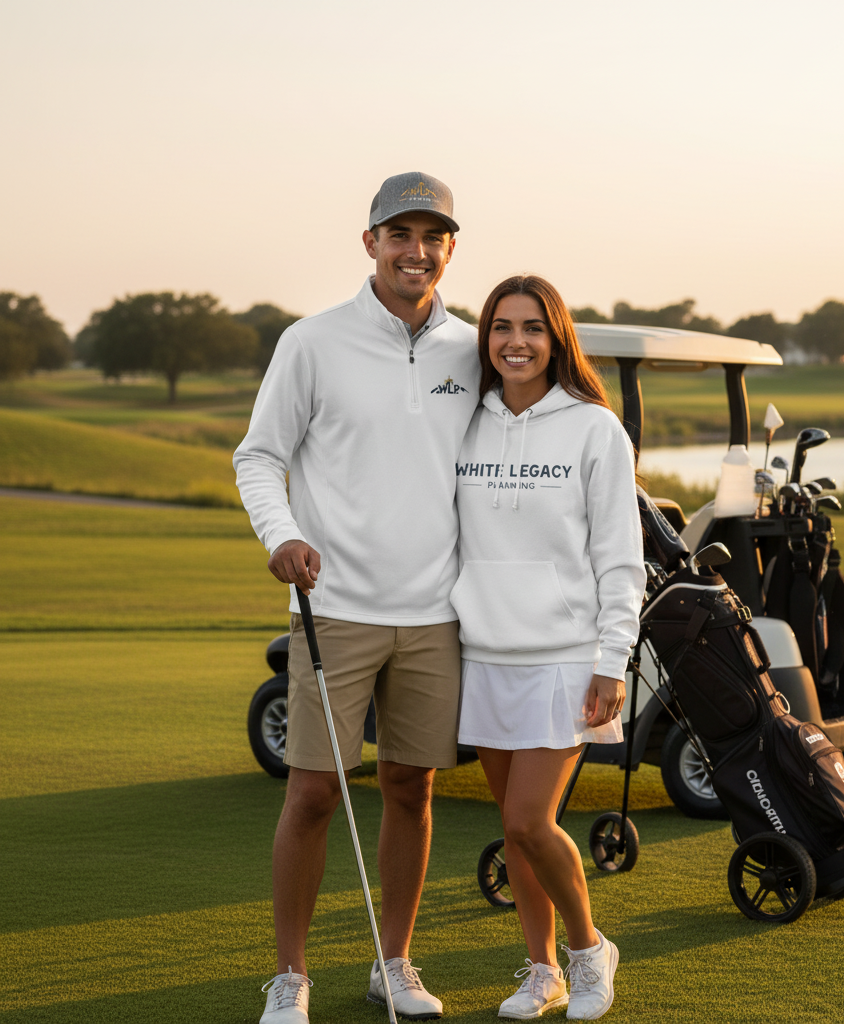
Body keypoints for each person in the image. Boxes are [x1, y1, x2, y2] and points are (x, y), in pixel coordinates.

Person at [234, 172, 480, 1023]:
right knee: (312, 792)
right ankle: (290, 976)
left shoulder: (474, 348)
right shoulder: (313, 341)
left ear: (451, 247)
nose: (418, 252)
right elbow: (259, 456)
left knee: (412, 787)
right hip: (333, 604)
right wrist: (281, 536)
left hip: (437, 614)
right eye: (400, 234)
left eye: (434, 237)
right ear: (370, 241)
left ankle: (395, 962)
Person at [450, 275, 645, 1020]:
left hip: (566, 655)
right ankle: (541, 971)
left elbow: (618, 557)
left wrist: (611, 660)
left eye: (533, 327)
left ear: (556, 337)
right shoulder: (464, 423)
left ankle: (589, 951)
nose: (516, 342)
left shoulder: (595, 429)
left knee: (532, 819)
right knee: (513, 828)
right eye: (501, 326)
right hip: (484, 652)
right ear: (486, 338)